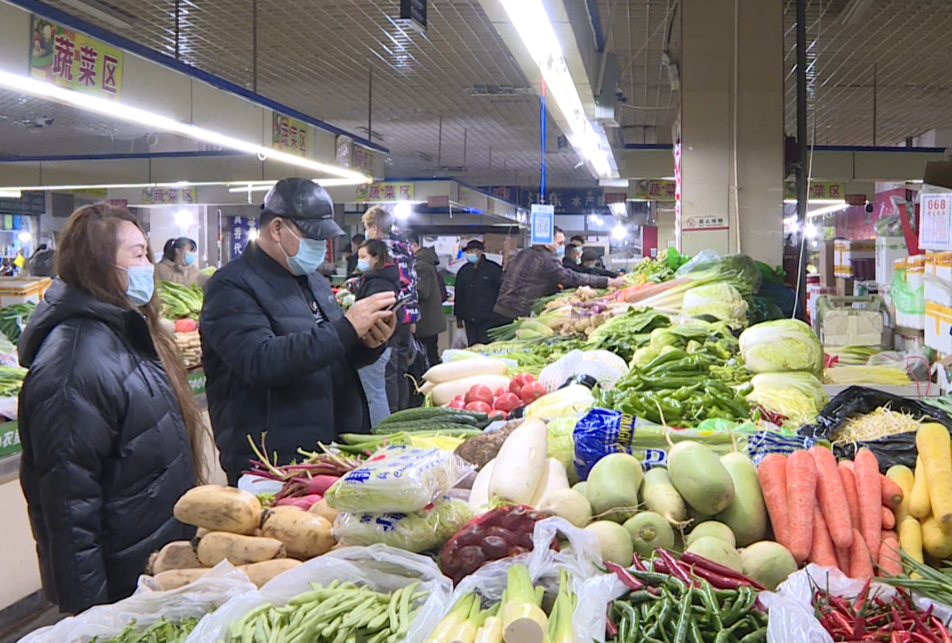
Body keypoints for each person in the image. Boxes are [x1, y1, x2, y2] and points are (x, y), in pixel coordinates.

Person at [17, 203, 208, 614]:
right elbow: (69, 509)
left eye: (147, 254)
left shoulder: (127, 332)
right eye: (137, 255)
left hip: (153, 564)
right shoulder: (73, 365)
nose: (148, 266)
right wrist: (92, 615)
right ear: (98, 265)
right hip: (121, 582)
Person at [201, 179, 396, 483]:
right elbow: (260, 361)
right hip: (273, 460)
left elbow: (327, 354)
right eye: (312, 237)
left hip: (327, 449)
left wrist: (368, 342)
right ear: (277, 228)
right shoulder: (231, 286)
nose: (319, 247)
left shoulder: (312, 280)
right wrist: (346, 327)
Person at [494, 226, 626, 321]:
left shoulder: (525, 252)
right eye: (560, 243)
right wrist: (608, 281)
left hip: (501, 308)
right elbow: (570, 277)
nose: (562, 246)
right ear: (548, 242)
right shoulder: (546, 259)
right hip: (516, 313)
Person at [363, 206, 418, 413]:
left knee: (387, 368)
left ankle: (391, 415)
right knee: (401, 367)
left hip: (386, 316)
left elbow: (371, 282)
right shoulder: (405, 247)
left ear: (375, 228)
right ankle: (403, 410)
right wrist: (413, 317)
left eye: (367, 228)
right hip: (406, 314)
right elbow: (412, 282)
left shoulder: (375, 249)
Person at [354, 239, 401, 427]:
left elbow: (376, 318)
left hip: (375, 343)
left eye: (363, 257)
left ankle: (380, 436)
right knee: (376, 392)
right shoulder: (379, 280)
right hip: (380, 344)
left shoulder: (379, 284)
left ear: (375, 258)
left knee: (374, 394)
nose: (360, 261)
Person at [454, 240, 503, 346]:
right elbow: (459, 294)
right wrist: (458, 317)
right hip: (469, 319)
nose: (470, 253)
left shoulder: (493, 269)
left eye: (472, 251)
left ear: (480, 252)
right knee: (473, 347)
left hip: (488, 319)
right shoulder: (463, 271)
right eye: (468, 251)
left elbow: (502, 292)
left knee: (488, 347)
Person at [408, 233, 444, 367]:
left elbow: (423, 292)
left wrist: (407, 290)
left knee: (428, 356)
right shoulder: (426, 262)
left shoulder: (421, 265)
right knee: (431, 353)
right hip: (430, 321)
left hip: (425, 322)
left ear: (415, 246)